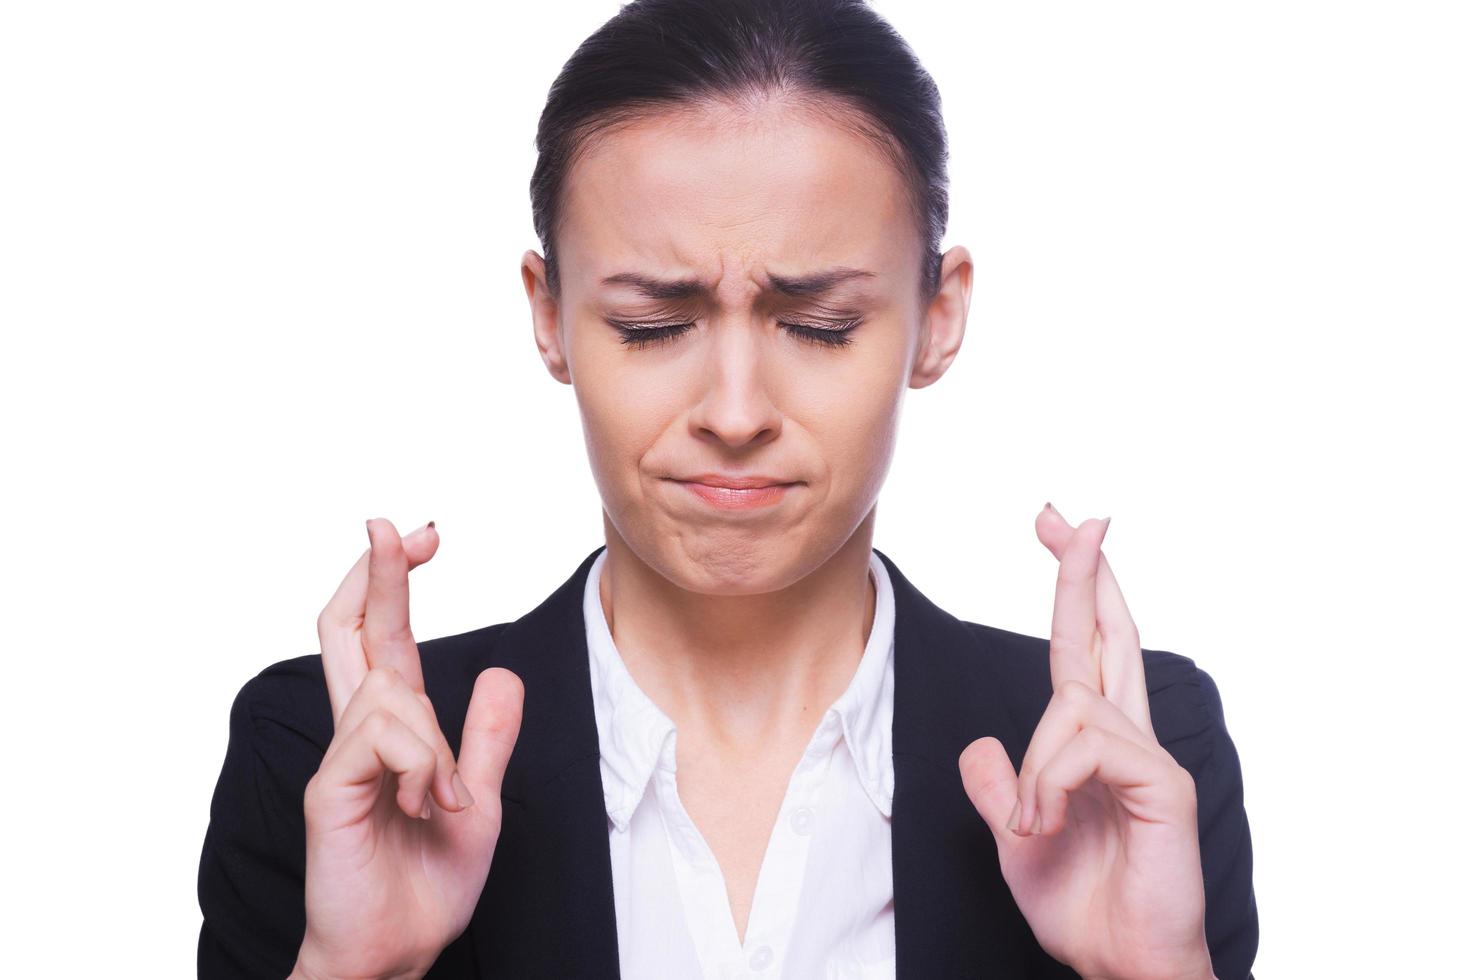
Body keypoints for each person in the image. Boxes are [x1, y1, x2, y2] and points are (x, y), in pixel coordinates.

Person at [196, 0, 1259, 977]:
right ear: (547, 313)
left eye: (819, 324)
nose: (736, 411)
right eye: (652, 325)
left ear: (938, 317)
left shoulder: (1133, 760)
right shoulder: (327, 757)